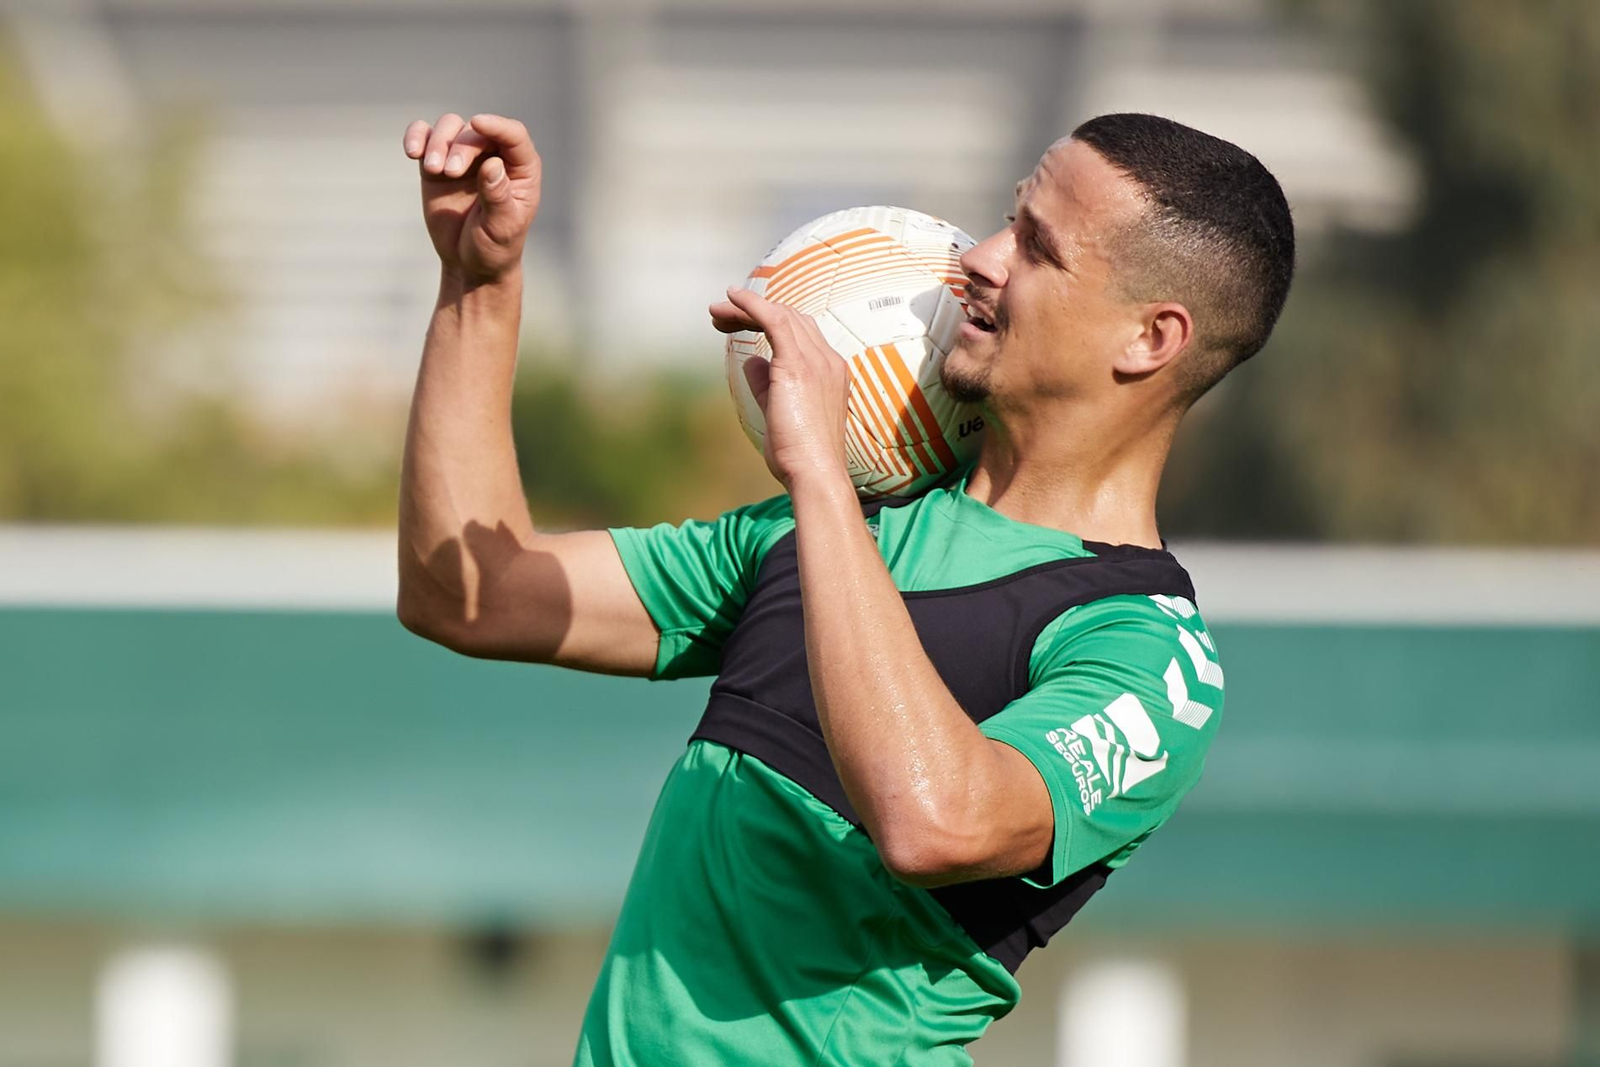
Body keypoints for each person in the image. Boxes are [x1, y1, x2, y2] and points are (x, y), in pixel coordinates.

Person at [396, 110, 1294, 1065]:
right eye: (1006, 220)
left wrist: (820, 471)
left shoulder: (1140, 651)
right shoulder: (840, 531)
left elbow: (934, 820)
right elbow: (469, 591)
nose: (979, 260)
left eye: (1036, 248)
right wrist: (478, 287)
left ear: (1151, 339)